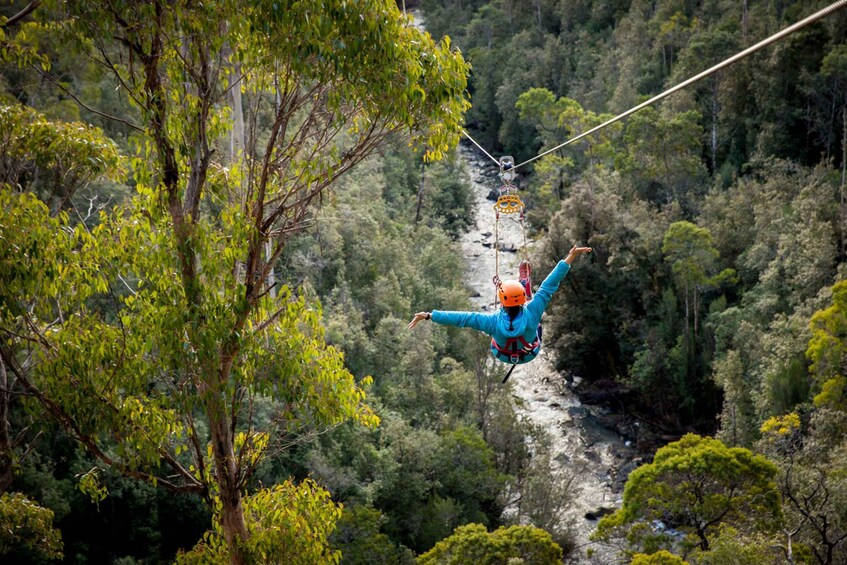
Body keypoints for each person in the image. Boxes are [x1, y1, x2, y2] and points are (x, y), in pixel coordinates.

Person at [408, 245, 592, 369]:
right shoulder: (532, 311)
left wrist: (429, 315)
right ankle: (523, 285)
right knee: (536, 319)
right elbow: (549, 284)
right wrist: (570, 257)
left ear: (502, 301)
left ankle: (519, 287)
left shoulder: (491, 321)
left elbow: (461, 318)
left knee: (489, 322)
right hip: (530, 352)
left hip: (501, 354)